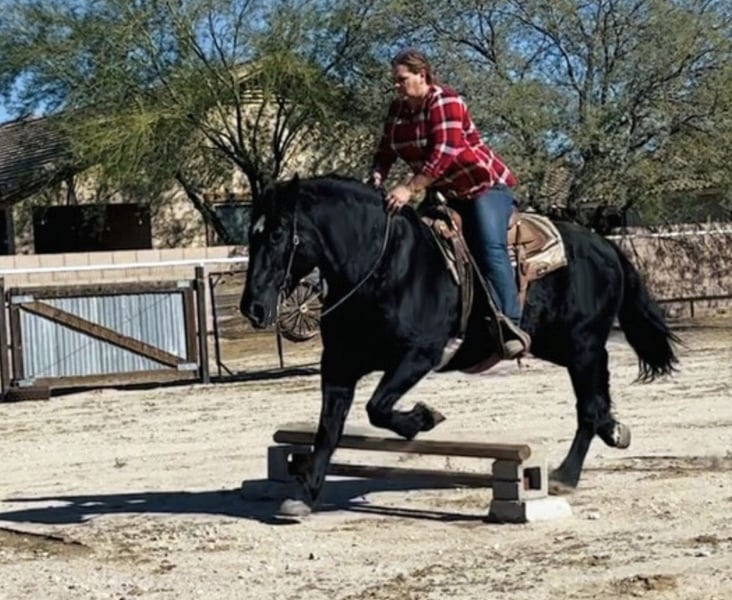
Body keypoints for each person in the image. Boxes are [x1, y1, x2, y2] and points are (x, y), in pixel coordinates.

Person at [369, 48, 530, 359]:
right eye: (395, 81)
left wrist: (408, 188)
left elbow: (444, 153)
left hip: (484, 187)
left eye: (401, 79)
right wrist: (376, 179)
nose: (397, 86)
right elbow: (385, 151)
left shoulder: (446, 101)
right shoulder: (397, 110)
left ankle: (510, 325)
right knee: (414, 245)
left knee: (488, 245)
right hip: (447, 194)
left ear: (422, 75)